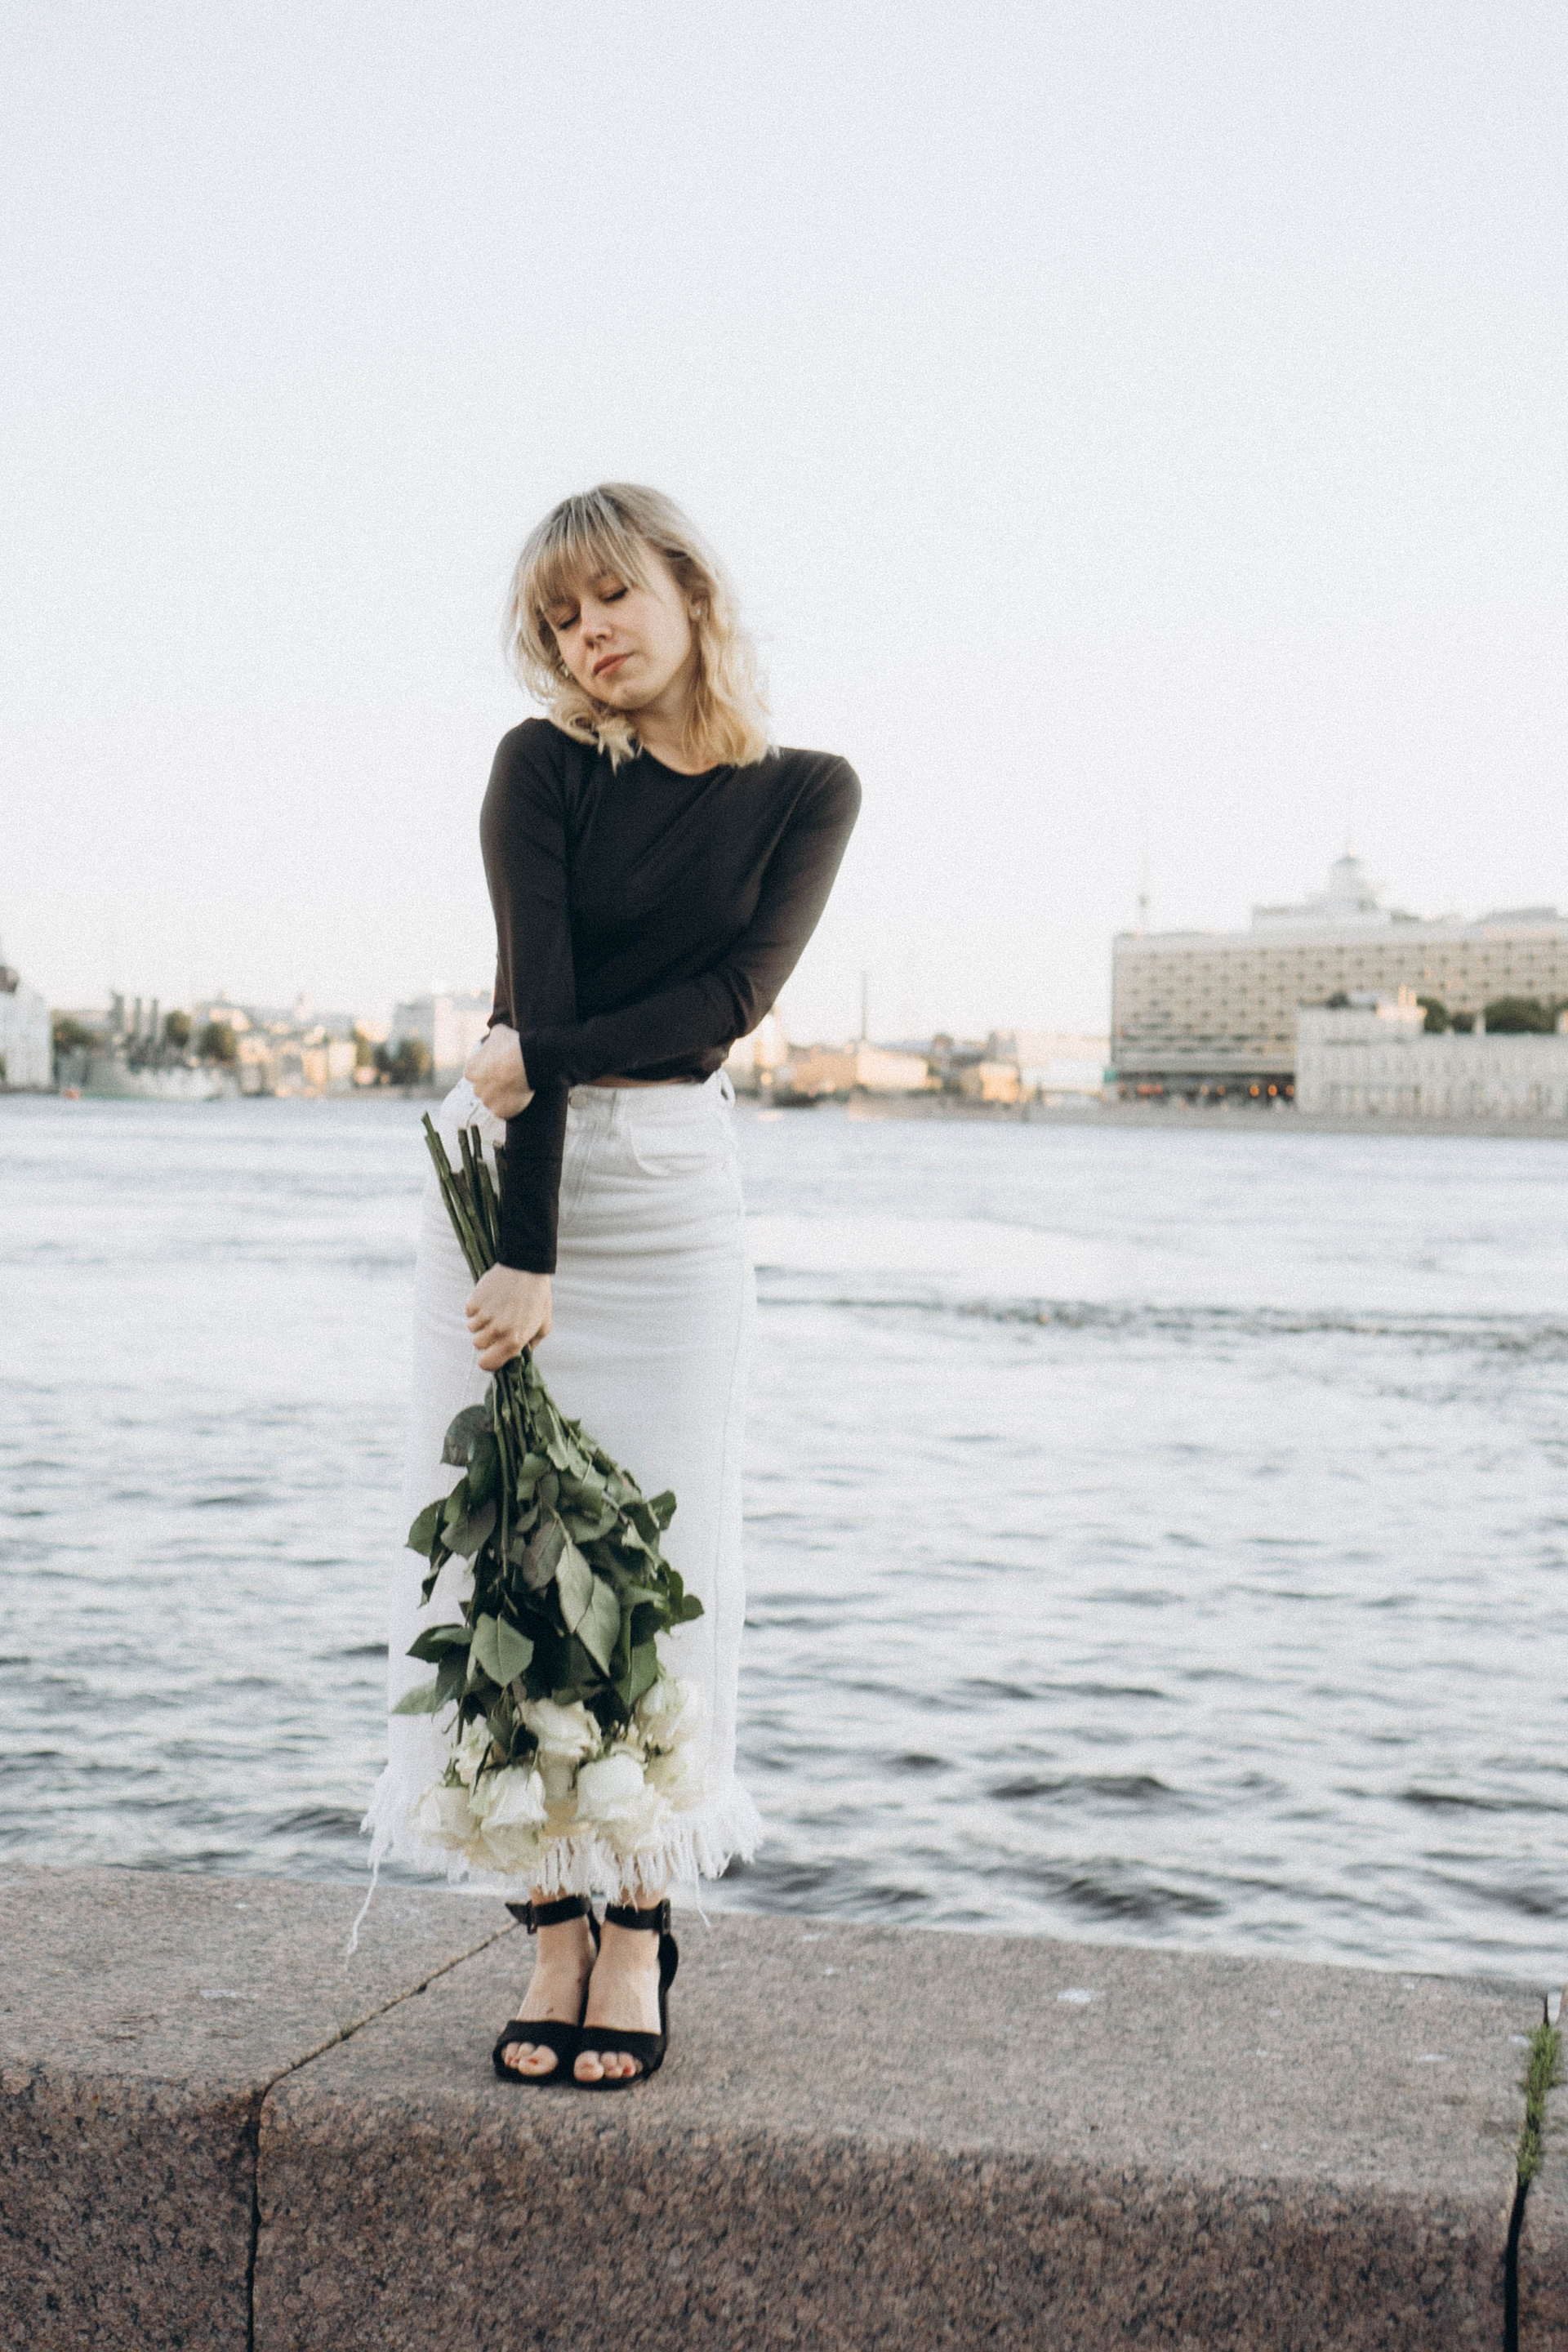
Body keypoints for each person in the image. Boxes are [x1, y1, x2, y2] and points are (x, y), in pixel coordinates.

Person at [359, 483, 859, 2086]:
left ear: (689, 588)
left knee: (668, 1549)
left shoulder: (806, 790)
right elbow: (540, 996)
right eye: (560, 618)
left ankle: (639, 1926)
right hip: (516, 1181)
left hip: (672, 1194)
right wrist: (526, 1251)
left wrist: (541, 1057)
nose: (591, 634)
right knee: (504, 1548)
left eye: (613, 597)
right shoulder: (543, 769)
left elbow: (729, 1003)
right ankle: (548, 1922)